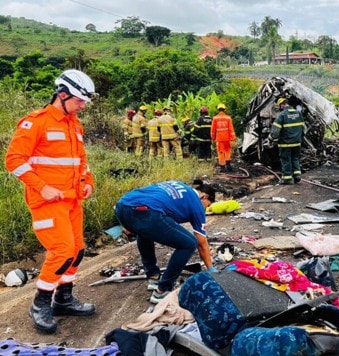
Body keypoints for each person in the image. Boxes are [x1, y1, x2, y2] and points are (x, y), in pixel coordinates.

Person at [4, 69, 97, 334]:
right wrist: (42, 187)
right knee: (62, 250)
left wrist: (87, 181)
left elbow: (81, 160)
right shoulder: (36, 122)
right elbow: (14, 160)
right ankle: (40, 304)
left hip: (72, 200)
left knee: (77, 249)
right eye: (79, 101)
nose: (83, 106)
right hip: (47, 202)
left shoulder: (74, 124)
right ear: (63, 94)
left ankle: (63, 299)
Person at [114, 180, 215, 304]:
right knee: (189, 244)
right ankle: (162, 290)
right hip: (145, 211)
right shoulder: (197, 204)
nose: (206, 208)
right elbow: (202, 243)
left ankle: (153, 277)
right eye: (208, 205)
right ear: (204, 197)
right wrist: (211, 268)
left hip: (122, 206)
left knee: (145, 231)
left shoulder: (179, 185)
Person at [270, 97, 304, 185]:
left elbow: (275, 131)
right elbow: (303, 128)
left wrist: (270, 138)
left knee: (286, 160)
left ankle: (287, 178)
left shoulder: (282, 115)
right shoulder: (298, 113)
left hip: (286, 143)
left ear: (282, 105)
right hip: (297, 142)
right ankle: (297, 176)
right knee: (295, 158)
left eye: (279, 106)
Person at [211, 103, 236, 172]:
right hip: (227, 138)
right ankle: (228, 165)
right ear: (224, 109)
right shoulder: (228, 118)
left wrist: (213, 138)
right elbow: (231, 129)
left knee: (221, 152)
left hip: (219, 139)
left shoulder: (215, 118)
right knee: (227, 151)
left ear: (218, 109)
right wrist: (233, 138)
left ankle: (222, 168)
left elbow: (213, 130)